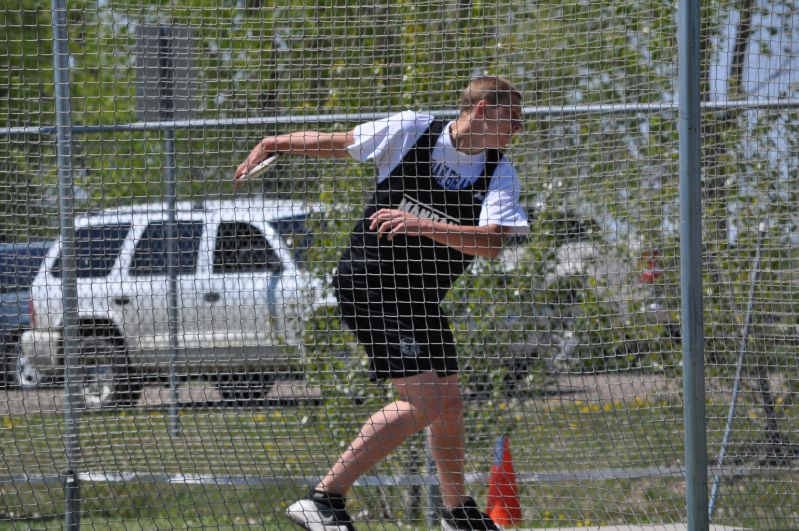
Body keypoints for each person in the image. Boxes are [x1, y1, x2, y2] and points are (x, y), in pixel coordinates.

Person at [235, 76, 528, 531]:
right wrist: (275, 142)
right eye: (513, 118)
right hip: (371, 283)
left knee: (448, 402)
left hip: (420, 298)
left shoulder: (498, 171)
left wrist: (420, 225)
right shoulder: (413, 130)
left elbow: (491, 244)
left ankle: (457, 514)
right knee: (426, 400)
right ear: (484, 110)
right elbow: (343, 143)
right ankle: (324, 498)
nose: (518, 129)